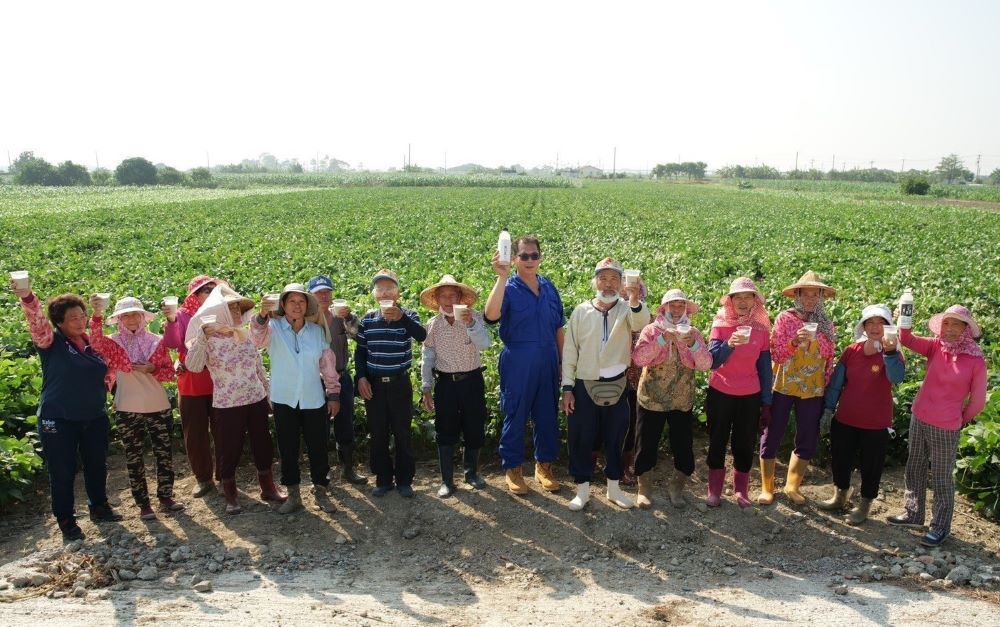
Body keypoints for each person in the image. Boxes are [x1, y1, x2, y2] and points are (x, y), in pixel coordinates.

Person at [12, 278, 122, 541]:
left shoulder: (92, 343)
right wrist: (27, 297)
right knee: (62, 470)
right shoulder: (51, 343)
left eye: (81, 315)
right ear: (59, 322)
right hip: (58, 418)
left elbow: (109, 370)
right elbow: (36, 321)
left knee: (97, 464)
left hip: (94, 416)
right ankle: (66, 521)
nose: (79, 320)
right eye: (73, 317)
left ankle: (99, 507)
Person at [887, 304, 988, 546]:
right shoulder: (935, 346)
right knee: (915, 466)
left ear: (966, 329)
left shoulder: (975, 360)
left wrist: (958, 418)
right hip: (919, 415)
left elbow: (978, 401)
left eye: (956, 324)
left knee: (942, 477)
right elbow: (907, 338)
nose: (950, 329)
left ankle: (940, 526)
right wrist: (904, 318)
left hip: (946, 425)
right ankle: (913, 513)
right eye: (946, 323)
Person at [184, 284, 285, 514]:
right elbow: (193, 365)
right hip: (228, 403)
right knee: (228, 449)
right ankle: (230, 494)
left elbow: (258, 366)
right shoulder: (207, 338)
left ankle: (268, 487)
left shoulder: (245, 333)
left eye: (239, 309)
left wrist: (268, 395)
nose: (237, 313)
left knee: (263, 444)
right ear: (220, 311)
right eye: (232, 309)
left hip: (255, 397)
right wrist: (201, 337)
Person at [561, 258, 649, 510]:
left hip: (617, 384)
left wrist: (634, 299)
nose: (608, 284)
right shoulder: (581, 311)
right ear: (595, 281)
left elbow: (642, 323)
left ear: (621, 283)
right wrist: (567, 387)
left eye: (614, 279)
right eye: (603, 278)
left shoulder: (626, 308)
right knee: (581, 438)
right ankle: (582, 491)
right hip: (584, 384)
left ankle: (613, 489)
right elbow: (570, 353)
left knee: (615, 438)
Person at [484, 235, 565, 496]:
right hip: (518, 360)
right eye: (524, 256)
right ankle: (514, 469)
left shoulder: (549, 287)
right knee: (515, 413)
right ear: (514, 258)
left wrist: (564, 364)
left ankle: (544, 467)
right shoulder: (508, 287)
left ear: (540, 257)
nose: (530, 260)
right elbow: (491, 315)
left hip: (548, 360)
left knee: (547, 415)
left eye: (534, 255)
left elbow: (558, 328)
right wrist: (501, 277)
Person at [89, 296, 183, 520]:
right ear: (119, 319)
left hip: (158, 405)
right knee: (134, 457)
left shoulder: (157, 341)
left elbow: (170, 373)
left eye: (135, 314)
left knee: (163, 453)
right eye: (125, 315)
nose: (131, 319)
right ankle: (143, 504)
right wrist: (97, 314)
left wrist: (152, 369)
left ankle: (166, 496)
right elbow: (94, 343)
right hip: (126, 406)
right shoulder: (112, 343)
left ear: (142, 317)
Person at [251, 284, 341, 513]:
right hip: (284, 399)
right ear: (283, 305)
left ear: (307, 305)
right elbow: (256, 340)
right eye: (292, 302)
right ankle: (293, 495)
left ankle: (321, 490)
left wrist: (333, 394)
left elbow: (327, 364)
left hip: (313, 398)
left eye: (301, 302)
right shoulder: (273, 328)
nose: (297, 306)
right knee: (288, 448)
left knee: (318, 447)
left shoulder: (316, 331)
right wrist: (262, 315)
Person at [818, 305, 905, 525]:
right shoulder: (852, 351)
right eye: (871, 322)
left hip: (875, 423)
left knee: (871, 465)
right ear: (864, 326)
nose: (875, 327)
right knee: (840, 458)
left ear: (888, 327)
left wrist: (890, 352)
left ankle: (864, 505)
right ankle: (840, 496)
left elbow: (896, 378)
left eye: (881, 323)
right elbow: (837, 384)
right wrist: (828, 410)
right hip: (846, 417)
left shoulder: (893, 353)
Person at [759, 271, 837, 506]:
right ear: (798, 295)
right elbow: (777, 353)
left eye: (816, 294)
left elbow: (828, 357)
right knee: (772, 433)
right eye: (807, 294)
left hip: (812, 389)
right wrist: (795, 341)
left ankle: (792, 486)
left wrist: (827, 387)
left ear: (822, 296)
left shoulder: (826, 323)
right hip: (783, 385)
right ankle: (767, 487)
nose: (811, 299)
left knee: (807, 437)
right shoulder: (785, 318)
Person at [631, 289, 712, 509]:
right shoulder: (652, 330)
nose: (676, 310)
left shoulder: (692, 332)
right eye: (672, 305)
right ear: (664, 308)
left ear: (685, 309)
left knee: (682, 445)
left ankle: (676, 487)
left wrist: (692, 344)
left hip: (681, 399)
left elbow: (705, 364)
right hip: (652, 397)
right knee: (646, 443)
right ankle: (644, 488)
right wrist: (662, 339)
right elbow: (639, 359)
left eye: (680, 306)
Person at [355, 269, 427, 498]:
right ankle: (383, 479)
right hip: (374, 385)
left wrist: (402, 318)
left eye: (389, 288)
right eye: (380, 288)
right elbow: (361, 352)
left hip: (399, 383)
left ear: (398, 293)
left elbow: (422, 335)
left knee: (402, 432)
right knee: (378, 434)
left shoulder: (410, 316)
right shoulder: (367, 319)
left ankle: (405, 480)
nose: (385, 292)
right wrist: (361, 377)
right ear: (375, 294)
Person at [419, 275, 492, 497]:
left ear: (461, 297)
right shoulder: (433, 325)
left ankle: (471, 473)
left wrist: (470, 324)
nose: (448, 299)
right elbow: (427, 356)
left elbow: (485, 345)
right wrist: (426, 386)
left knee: (474, 426)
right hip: (446, 385)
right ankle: (447, 481)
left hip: (471, 381)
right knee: (445, 430)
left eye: (453, 294)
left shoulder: (474, 318)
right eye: (444, 295)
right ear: (437, 299)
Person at [706, 277, 773, 508]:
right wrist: (729, 345)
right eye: (738, 297)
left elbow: (765, 367)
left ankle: (741, 490)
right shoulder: (721, 324)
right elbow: (712, 361)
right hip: (720, 391)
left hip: (750, 394)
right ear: (730, 301)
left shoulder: (762, 327)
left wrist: (766, 402)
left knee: (744, 443)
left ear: (755, 300)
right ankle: (714, 490)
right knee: (717, 439)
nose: (743, 302)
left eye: (748, 297)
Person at [162, 275, 224, 498]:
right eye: (205, 290)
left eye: (212, 289)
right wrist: (170, 320)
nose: (210, 292)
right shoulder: (181, 316)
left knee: (223, 431)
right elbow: (172, 342)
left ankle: (226, 476)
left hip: (220, 381)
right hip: (192, 383)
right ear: (194, 295)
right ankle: (204, 479)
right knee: (195, 434)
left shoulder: (223, 314)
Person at [308, 275, 367, 485]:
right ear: (311, 296)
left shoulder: (341, 317)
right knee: (318, 429)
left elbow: (359, 336)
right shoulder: (306, 320)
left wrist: (349, 316)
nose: (324, 296)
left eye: (327, 291)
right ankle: (322, 473)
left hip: (342, 378)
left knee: (346, 425)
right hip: (315, 381)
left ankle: (347, 469)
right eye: (318, 292)